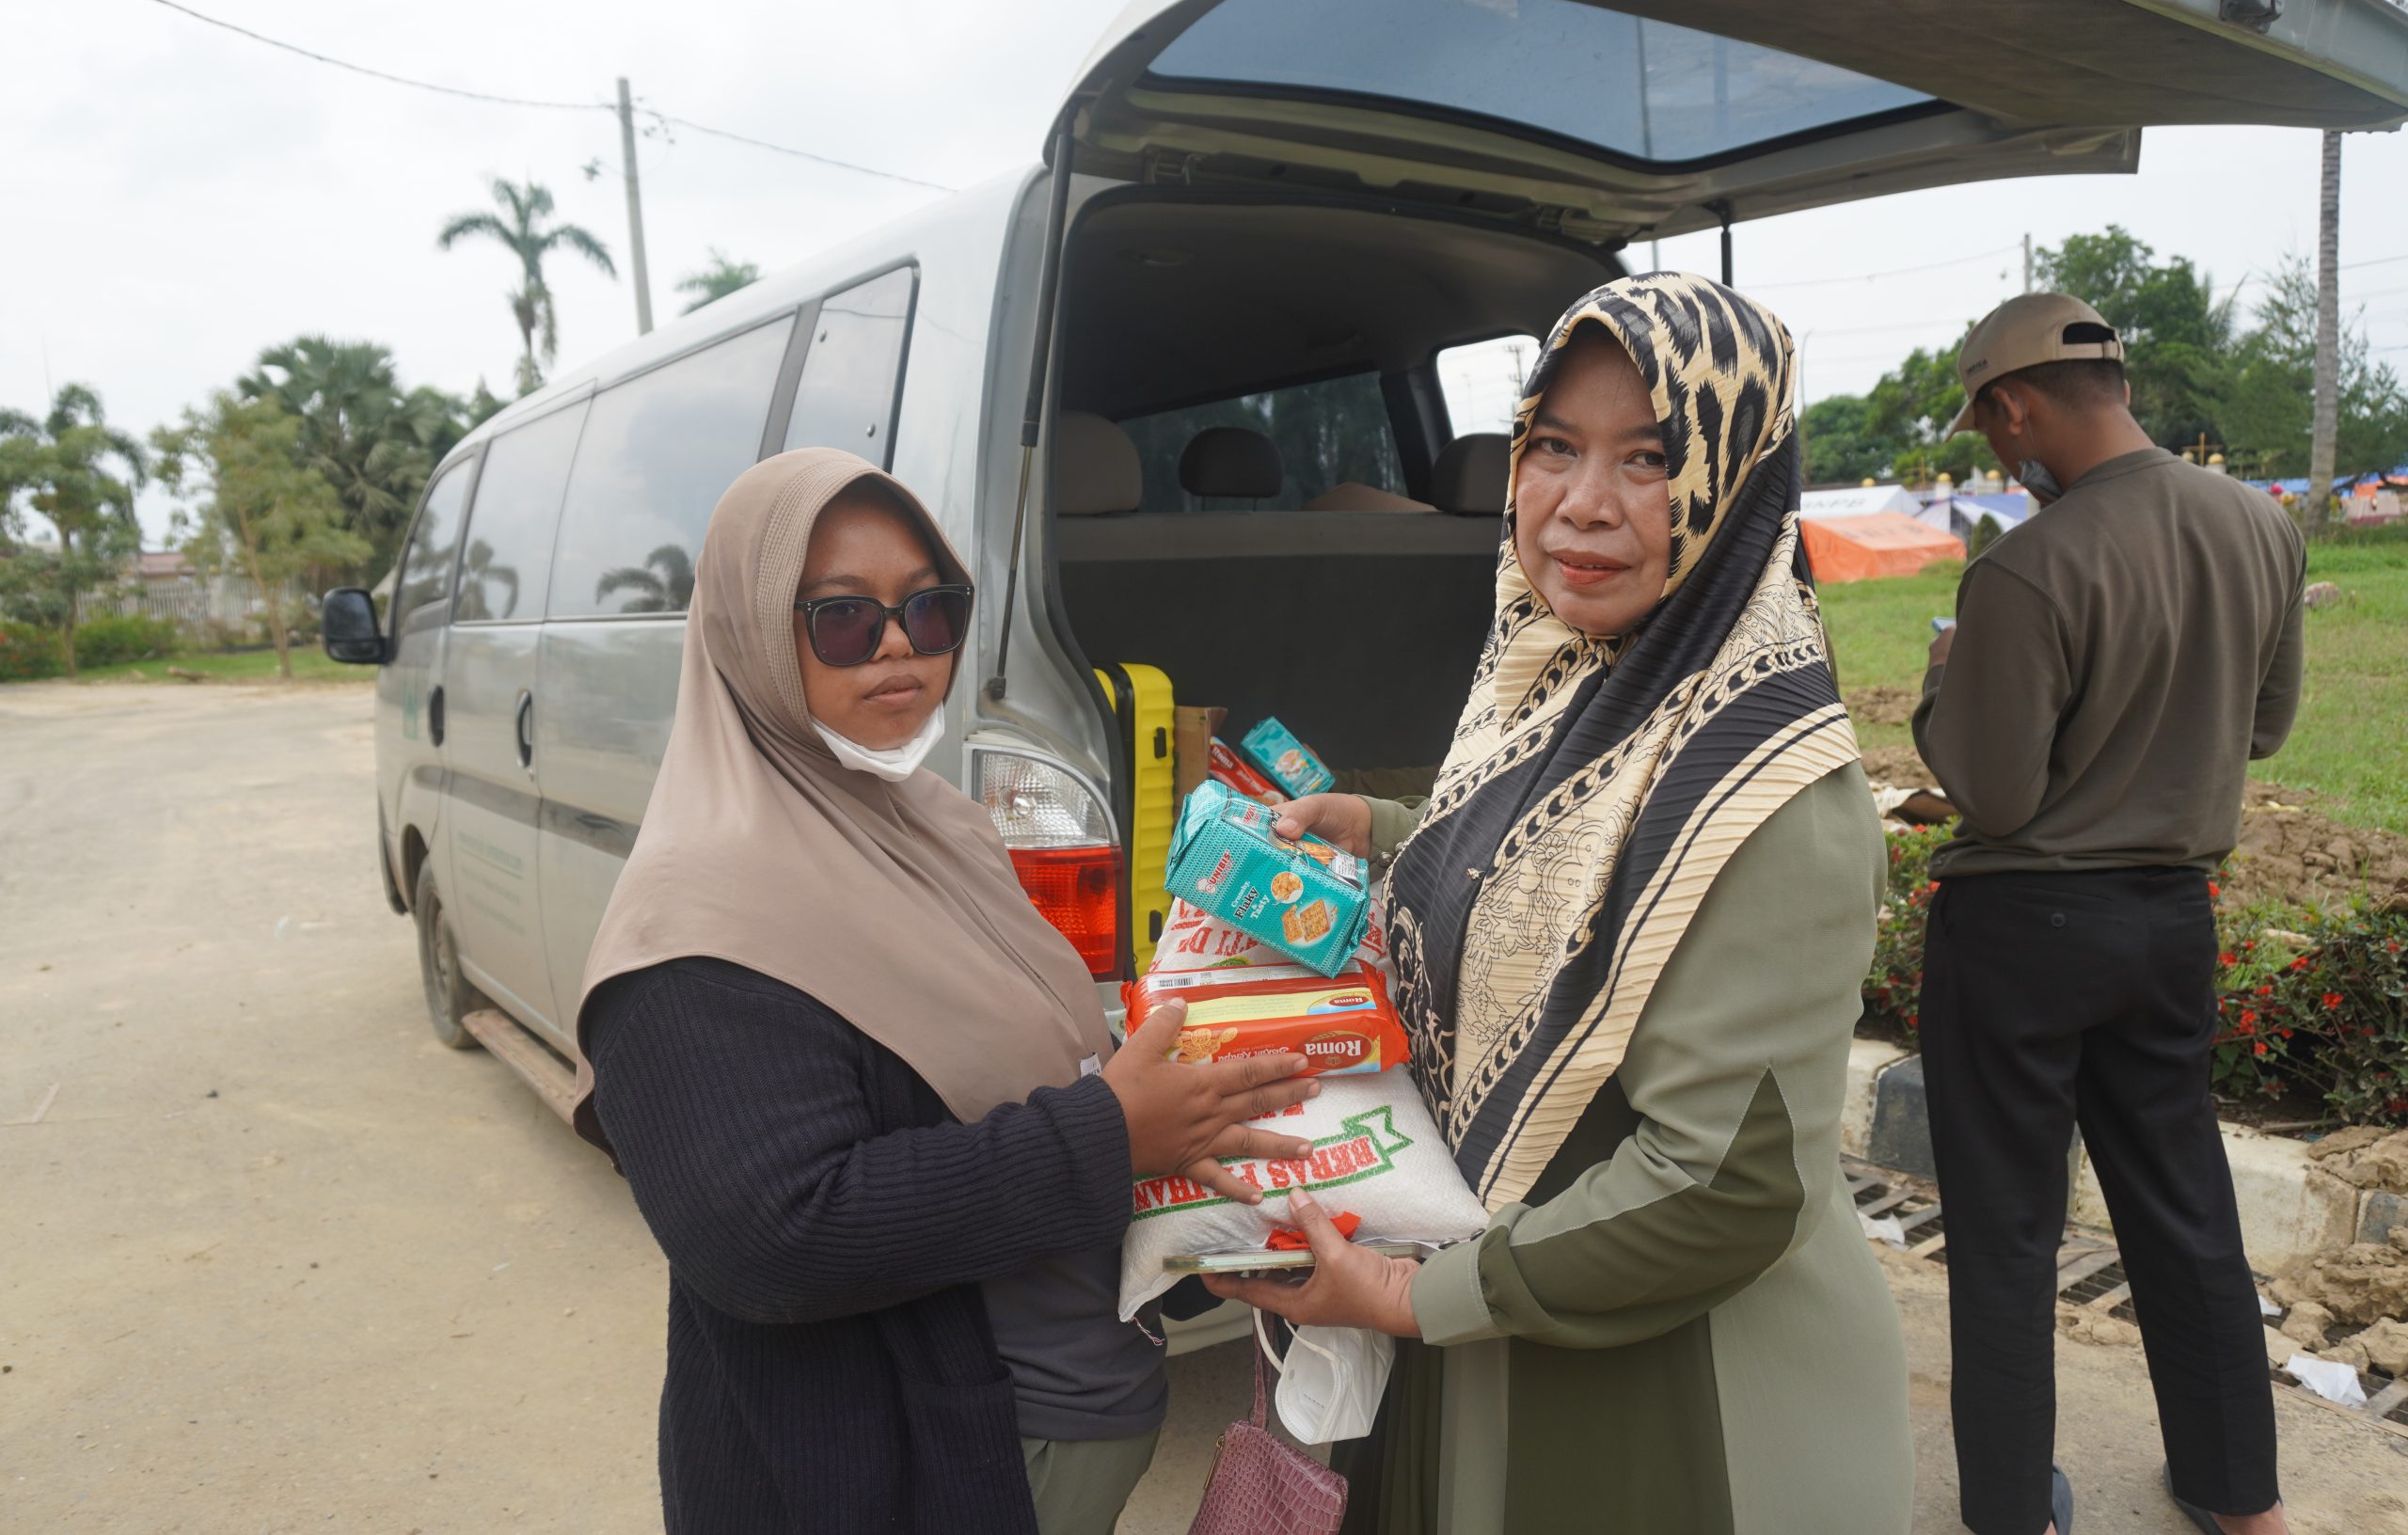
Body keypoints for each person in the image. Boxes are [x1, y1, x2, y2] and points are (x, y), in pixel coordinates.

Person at [1209, 274, 1916, 1534]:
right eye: (1553, 446)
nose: (1583, 502)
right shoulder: (1567, 675)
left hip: (1666, 1404)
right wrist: (1383, 833)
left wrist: (1407, 1297)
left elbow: (1717, 1188)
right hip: (1502, 1314)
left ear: (1736, 485)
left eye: (1649, 458)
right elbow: (1555, 868)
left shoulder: (1765, 791)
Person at [565, 449, 1321, 1535]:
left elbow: (1031, 1081)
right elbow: (769, 1237)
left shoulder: (935, 823)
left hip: (1059, 1412)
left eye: (931, 608)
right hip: (916, 1471)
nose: (898, 645)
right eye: (841, 617)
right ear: (746, 633)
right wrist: (1106, 1135)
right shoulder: (696, 920)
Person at [1910, 293, 2306, 1535]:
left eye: (1988, 426)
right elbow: (2263, 727)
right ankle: (2241, 1498)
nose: (1995, 452)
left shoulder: (2025, 565)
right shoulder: (2262, 525)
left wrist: (1942, 684)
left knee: (2007, 1230)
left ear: (2014, 406)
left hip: (2021, 932)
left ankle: (2012, 1509)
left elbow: (1995, 792)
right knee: (2186, 1210)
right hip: (2171, 920)